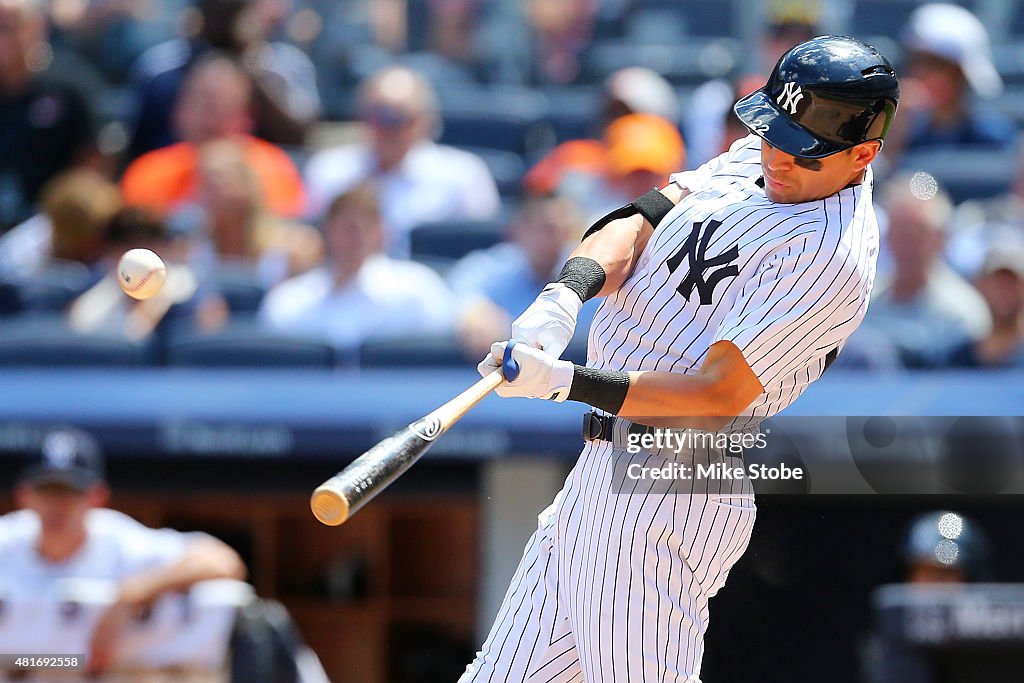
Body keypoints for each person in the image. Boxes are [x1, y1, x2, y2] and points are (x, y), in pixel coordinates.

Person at [459, 36, 898, 682]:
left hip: (668, 481)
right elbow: (642, 218)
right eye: (773, 132)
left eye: (801, 151)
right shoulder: (762, 152)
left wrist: (567, 381)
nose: (776, 155)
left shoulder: (829, 253)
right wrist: (567, 293)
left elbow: (715, 394)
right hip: (601, 472)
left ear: (862, 154)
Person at [0, 427, 246, 675]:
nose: (56, 505)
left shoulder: (119, 542)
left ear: (96, 497)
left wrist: (130, 594)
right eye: (47, 491)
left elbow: (223, 560)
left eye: (69, 492)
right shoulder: (8, 539)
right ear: (24, 495)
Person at [303, 65, 500, 257]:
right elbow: (311, 244)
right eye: (377, 113)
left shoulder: (463, 175)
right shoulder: (329, 169)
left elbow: (481, 256)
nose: (385, 125)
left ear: (425, 121)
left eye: (397, 116)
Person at [259, 186, 457, 352]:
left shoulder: (420, 289)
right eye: (348, 227)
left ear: (381, 231)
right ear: (328, 230)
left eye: (367, 227)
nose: (357, 238)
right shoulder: (289, 302)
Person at [124, 0, 321, 159]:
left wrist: (250, 62)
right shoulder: (162, 68)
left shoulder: (283, 64)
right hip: (172, 181)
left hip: (262, 179)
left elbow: (301, 137)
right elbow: (137, 143)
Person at [121, 54, 306, 220]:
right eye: (198, 102)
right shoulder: (149, 172)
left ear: (248, 115)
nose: (207, 117)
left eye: (219, 105)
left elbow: (284, 235)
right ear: (178, 111)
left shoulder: (272, 168)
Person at [853, 177, 989, 367]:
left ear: (941, 239)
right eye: (899, 233)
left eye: (917, 235)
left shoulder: (963, 315)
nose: (906, 245)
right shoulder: (860, 302)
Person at [0, 0, 97, 232]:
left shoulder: (69, 86)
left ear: (35, 27)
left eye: (7, 27)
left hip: (53, 229)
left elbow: (92, 166)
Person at [884, 3, 1015, 163]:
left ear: (961, 75)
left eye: (934, 64)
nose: (920, 72)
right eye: (915, 60)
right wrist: (895, 131)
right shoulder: (907, 132)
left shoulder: (994, 135)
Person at [944, 240, 1024, 368]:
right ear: (981, 286)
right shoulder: (959, 358)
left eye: (1012, 283)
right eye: (997, 284)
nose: (1004, 293)